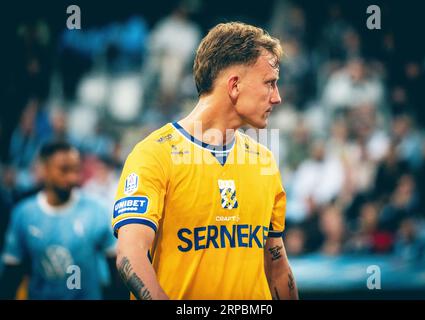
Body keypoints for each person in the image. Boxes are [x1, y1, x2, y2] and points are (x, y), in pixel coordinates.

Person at [112, 22, 298, 300]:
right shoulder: (153, 155)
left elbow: (277, 266)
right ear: (234, 85)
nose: (277, 97)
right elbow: (130, 255)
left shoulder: (264, 161)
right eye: (270, 83)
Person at [0, 141, 126, 299]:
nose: (73, 177)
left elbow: (116, 270)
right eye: (64, 170)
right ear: (44, 169)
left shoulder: (96, 211)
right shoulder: (24, 214)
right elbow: (12, 274)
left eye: (76, 170)